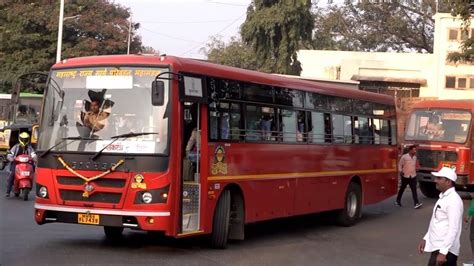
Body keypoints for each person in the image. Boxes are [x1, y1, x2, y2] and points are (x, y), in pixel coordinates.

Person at [418, 167, 463, 266]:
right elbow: (436, 221)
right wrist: (426, 238)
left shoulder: (453, 201)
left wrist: (443, 252)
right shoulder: (443, 197)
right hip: (438, 248)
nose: (435, 181)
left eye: (439, 178)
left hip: (446, 250)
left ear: (448, 182)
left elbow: (453, 228)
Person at [5, 132, 36, 197]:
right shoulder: (16, 147)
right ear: (20, 139)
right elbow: (10, 154)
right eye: (23, 139)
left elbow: (33, 155)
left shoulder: (29, 148)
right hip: (17, 164)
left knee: (33, 172)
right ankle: (8, 191)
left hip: (27, 164)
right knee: (12, 174)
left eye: (25, 139)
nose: (24, 141)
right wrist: (11, 158)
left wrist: (35, 158)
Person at [396, 145, 422, 209]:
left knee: (414, 190)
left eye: (415, 150)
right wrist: (401, 171)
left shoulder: (415, 158)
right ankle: (398, 200)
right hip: (405, 176)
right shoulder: (404, 157)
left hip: (413, 176)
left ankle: (416, 203)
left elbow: (414, 166)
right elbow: (399, 165)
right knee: (402, 188)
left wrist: (416, 169)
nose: (415, 151)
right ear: (410, 150)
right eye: (413, 150)